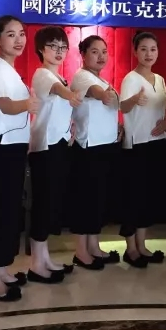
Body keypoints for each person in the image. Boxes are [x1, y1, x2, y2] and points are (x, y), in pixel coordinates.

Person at [0, 16, 40, 301]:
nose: (18, 40)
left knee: (8, 212)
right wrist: (28, 104)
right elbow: (5, 106)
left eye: (22, 34)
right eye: (11, 34)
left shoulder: (9, 70)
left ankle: (2, 269)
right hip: (0, 150)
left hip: (14, 148)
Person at [28, 27, 80, 282]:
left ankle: (45, 258)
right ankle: (37, 264)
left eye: (63, 47)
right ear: (41, 49)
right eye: (53, 46)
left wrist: (71, 123)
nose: (59, 52)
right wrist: (71, 95)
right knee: (43, 204)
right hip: (44, 147)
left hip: (58, 145)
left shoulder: (60, 77)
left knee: (51, 204)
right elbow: (58, 91)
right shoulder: (42, 75)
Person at [70, 35, 122, 270]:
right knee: (84, 200)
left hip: (104, 146)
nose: (101, 56)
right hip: (88, 148)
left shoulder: (101, 78)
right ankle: (81, 252)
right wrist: (105, 95)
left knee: (97, 200)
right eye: (94, 51)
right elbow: (95, 93)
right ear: (83, 55)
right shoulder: (82, 77)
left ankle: (94, 246)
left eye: (104, 51)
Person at [119, 31, 166, 268]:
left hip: (156, 143)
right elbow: (123, 107)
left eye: (153, 49)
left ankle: (142, 245)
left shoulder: (160, 79)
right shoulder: (130, 79)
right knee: (132, 197)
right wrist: (133, 100)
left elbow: (163, 109)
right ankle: (131, 249)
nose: (149, 54)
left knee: (147, 197)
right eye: (143, 49)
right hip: (136, 144)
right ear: (135, 51)